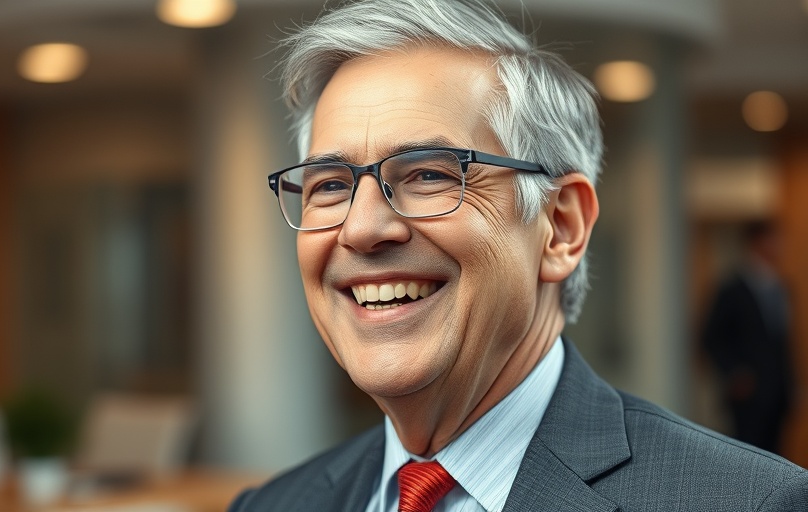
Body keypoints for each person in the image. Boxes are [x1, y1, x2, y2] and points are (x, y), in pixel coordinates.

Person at [231, 0, 808, 510]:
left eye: (431, 174)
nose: (361, 228)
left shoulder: (745, 502)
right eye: (330, 185)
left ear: (560, 227)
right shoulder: (272, 505)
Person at [702, 220, 795, 455]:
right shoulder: (732, 289)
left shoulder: (780, 286)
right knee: (750, 455)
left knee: (777, 456)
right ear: (755, 242)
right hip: (749, 395)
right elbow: (710, 337)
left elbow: (782, 343)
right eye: (772, 239)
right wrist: (734, 373)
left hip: (777, 392)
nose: (778, 246)